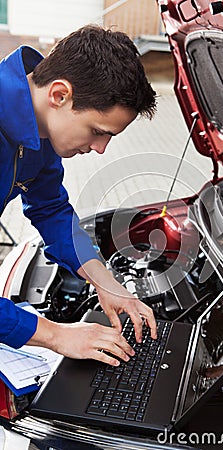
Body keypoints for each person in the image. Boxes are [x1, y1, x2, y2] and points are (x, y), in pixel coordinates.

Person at [0, 24, 157, 367]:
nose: (100, 149)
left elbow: (51, 209)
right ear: (59, 95)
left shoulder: (38, 129)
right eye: (98, 132)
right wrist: (57, 335)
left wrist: (106, 281)